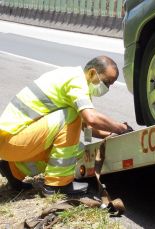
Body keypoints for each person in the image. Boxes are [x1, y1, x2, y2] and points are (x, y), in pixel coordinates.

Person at [0, 56, 127, 196]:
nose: (107, 88)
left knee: (76, 150)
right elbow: (90, 118)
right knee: (71, 114)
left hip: (12, 142)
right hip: (11, 138)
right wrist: (119, 127)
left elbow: (87, 128)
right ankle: (57, 184)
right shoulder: (76, 82)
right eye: (106, 82)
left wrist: (111, 134)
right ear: (91, 73)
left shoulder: (74, 79)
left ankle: (13, 170)